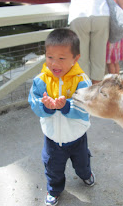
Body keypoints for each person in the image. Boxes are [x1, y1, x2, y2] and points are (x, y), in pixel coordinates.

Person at [28, 28, 94, 206]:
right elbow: (34, 102)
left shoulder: (82, 81)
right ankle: (54, 190)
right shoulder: (41, 80)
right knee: (52, 168)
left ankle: (86, 174)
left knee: (82, 163)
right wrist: (46, 107)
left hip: (77, 137)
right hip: (52, 138)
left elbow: (86, 108)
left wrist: (66, 105)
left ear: (76, 58)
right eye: (50, 57)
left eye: (62, 58)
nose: (54, 63)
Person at [68, 0, 123, 84]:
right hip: (101, 14)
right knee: (98, 59)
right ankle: (96, 94)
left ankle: (83, 91)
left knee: (80, 58)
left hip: (78, 14)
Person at [106, 0, 123, 74]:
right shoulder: (120, 3)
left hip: (111, 35)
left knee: (109, 62)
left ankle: (113, 82)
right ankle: (117, 80)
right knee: (115, 61)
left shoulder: (110, 2)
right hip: (119, 36)